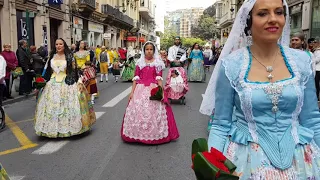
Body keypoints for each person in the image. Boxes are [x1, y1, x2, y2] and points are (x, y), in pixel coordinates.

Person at [200, 0, 320, 178]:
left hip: (301, 162)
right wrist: (209, 169)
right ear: (249, 21)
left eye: (279, 12)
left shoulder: (302, 62)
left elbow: (312, 121)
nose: (273, 19)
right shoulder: (232, 65)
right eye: (263, 13)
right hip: (246, 162)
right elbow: (220, 125)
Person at [34, 38, 96, 138]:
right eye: (57, 44)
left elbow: (74, 71)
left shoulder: (69, 56)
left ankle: (69, 127)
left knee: (67, 106)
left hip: (66, 82)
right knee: (51, 106)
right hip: (52, 83)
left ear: (64, 45)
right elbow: (46, 70)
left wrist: (78, 82)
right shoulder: (51, 56)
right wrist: (40, 81)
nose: (58, 46)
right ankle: (52, 128)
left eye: (60, 44)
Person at [121, 41, 179, 144]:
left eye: (151, 49)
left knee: (154, 112)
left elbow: (159, 79)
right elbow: (136, 78)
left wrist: (161, 92)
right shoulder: (139, 62)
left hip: (153, 89)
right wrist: (132, 92)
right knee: (137, 111)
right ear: (144, 51)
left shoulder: (157, 63)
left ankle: (154, 134)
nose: (149, 51)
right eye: (147, 49)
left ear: (154, 51)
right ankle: (137, 134)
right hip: (140, 89)